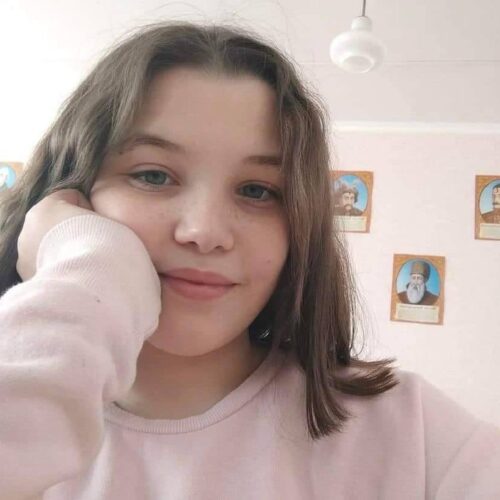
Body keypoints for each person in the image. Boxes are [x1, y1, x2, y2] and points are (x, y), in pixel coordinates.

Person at [0, 21, 499, 500]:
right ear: (68, 195)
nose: (205, 232)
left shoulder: (415, 435)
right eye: (153, 176)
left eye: (258, 190)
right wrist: (90, 273)